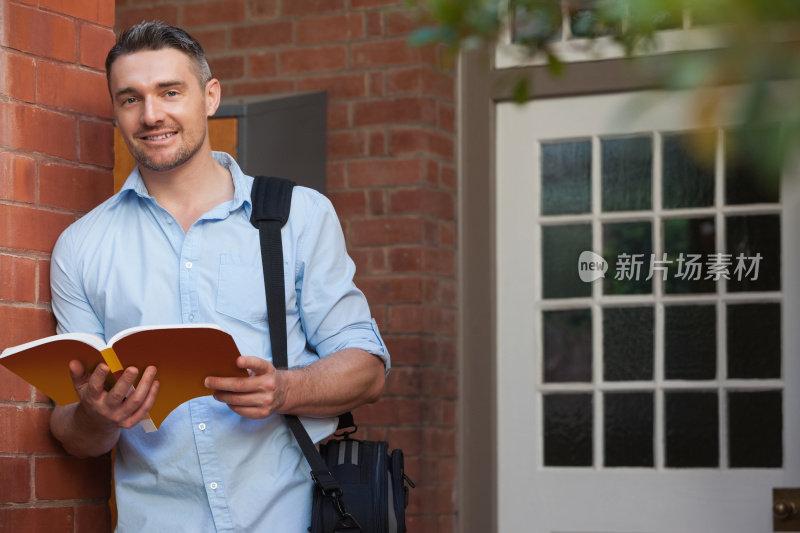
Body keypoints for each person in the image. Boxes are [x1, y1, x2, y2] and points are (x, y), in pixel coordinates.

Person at [48, 21, 389, 532]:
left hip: (289, 519)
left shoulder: (298, 216)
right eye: (130, 98)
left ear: (210, 96)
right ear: (116, 112)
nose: (151, 114)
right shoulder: (81, 246)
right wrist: (96, 414)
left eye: (170, 91)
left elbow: (369, 369)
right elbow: (74, 435)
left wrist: (286, 389)